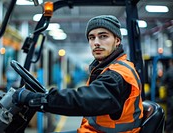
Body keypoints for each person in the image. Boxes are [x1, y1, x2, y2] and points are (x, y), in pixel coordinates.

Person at [13, 15, 144, 133]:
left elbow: (83, 100)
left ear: (117, 40)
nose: (96, 42)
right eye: (92, 38)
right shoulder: (106, 69)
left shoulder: (117, 75)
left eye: (103, 36)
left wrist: (41, 99)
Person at [160, 59, 173, 133]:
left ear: (171, 62)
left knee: (170, 114)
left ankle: (168, 130)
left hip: (171, 97)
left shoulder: (169, 71)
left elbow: (162, 82)